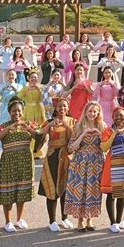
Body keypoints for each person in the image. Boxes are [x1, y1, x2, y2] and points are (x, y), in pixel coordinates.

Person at [0, 97, 42, 232]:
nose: (16, 114)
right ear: (9, 112)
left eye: (19, 111)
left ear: (22, 112)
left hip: (25, 161)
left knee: (21, 191)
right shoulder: (2, 126)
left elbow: (40, 138)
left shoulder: (29, 125)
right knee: (8, 191)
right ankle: (8, 221)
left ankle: (19, 219)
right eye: (13, 111)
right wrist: (8, 129)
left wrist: (28, 129)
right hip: (9, 162)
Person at [64, 101, 107, 232]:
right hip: (81, 162)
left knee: (93, 190)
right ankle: (79, 220)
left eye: (95, 111)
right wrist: (83, 134)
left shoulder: (102, 126)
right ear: (85, 112)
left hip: (96, 162)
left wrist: (99, 134)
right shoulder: (79, 126)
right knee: (80, 189)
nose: (92, 114)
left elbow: (105, 147)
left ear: (98, 112)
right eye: (90, 111)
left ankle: (90, 219)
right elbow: (71, 148)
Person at [38, 97, 75, 232]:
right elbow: (39, 137)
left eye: (65, 106)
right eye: (60, 106)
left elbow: (75, 139)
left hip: (67, 157)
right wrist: (48, 126)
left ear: (68, 108)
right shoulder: (49, 122)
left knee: (65, 188)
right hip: (52, 157)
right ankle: (52, 220)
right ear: (55, 108)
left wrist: (67, 127)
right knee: (51, 189)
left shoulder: (72, 122)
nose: (62, 109)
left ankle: (65, 218)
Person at [101, 106, 124, 233]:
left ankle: (119, 220)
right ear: (112, 117)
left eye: (121, 115)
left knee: (122, 193)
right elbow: (104, 148)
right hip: (113, 164)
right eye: (116, 115)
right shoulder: (108, 130)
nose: (119, 117)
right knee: (111, 193)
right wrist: (114, 134)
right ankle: (112, 222)